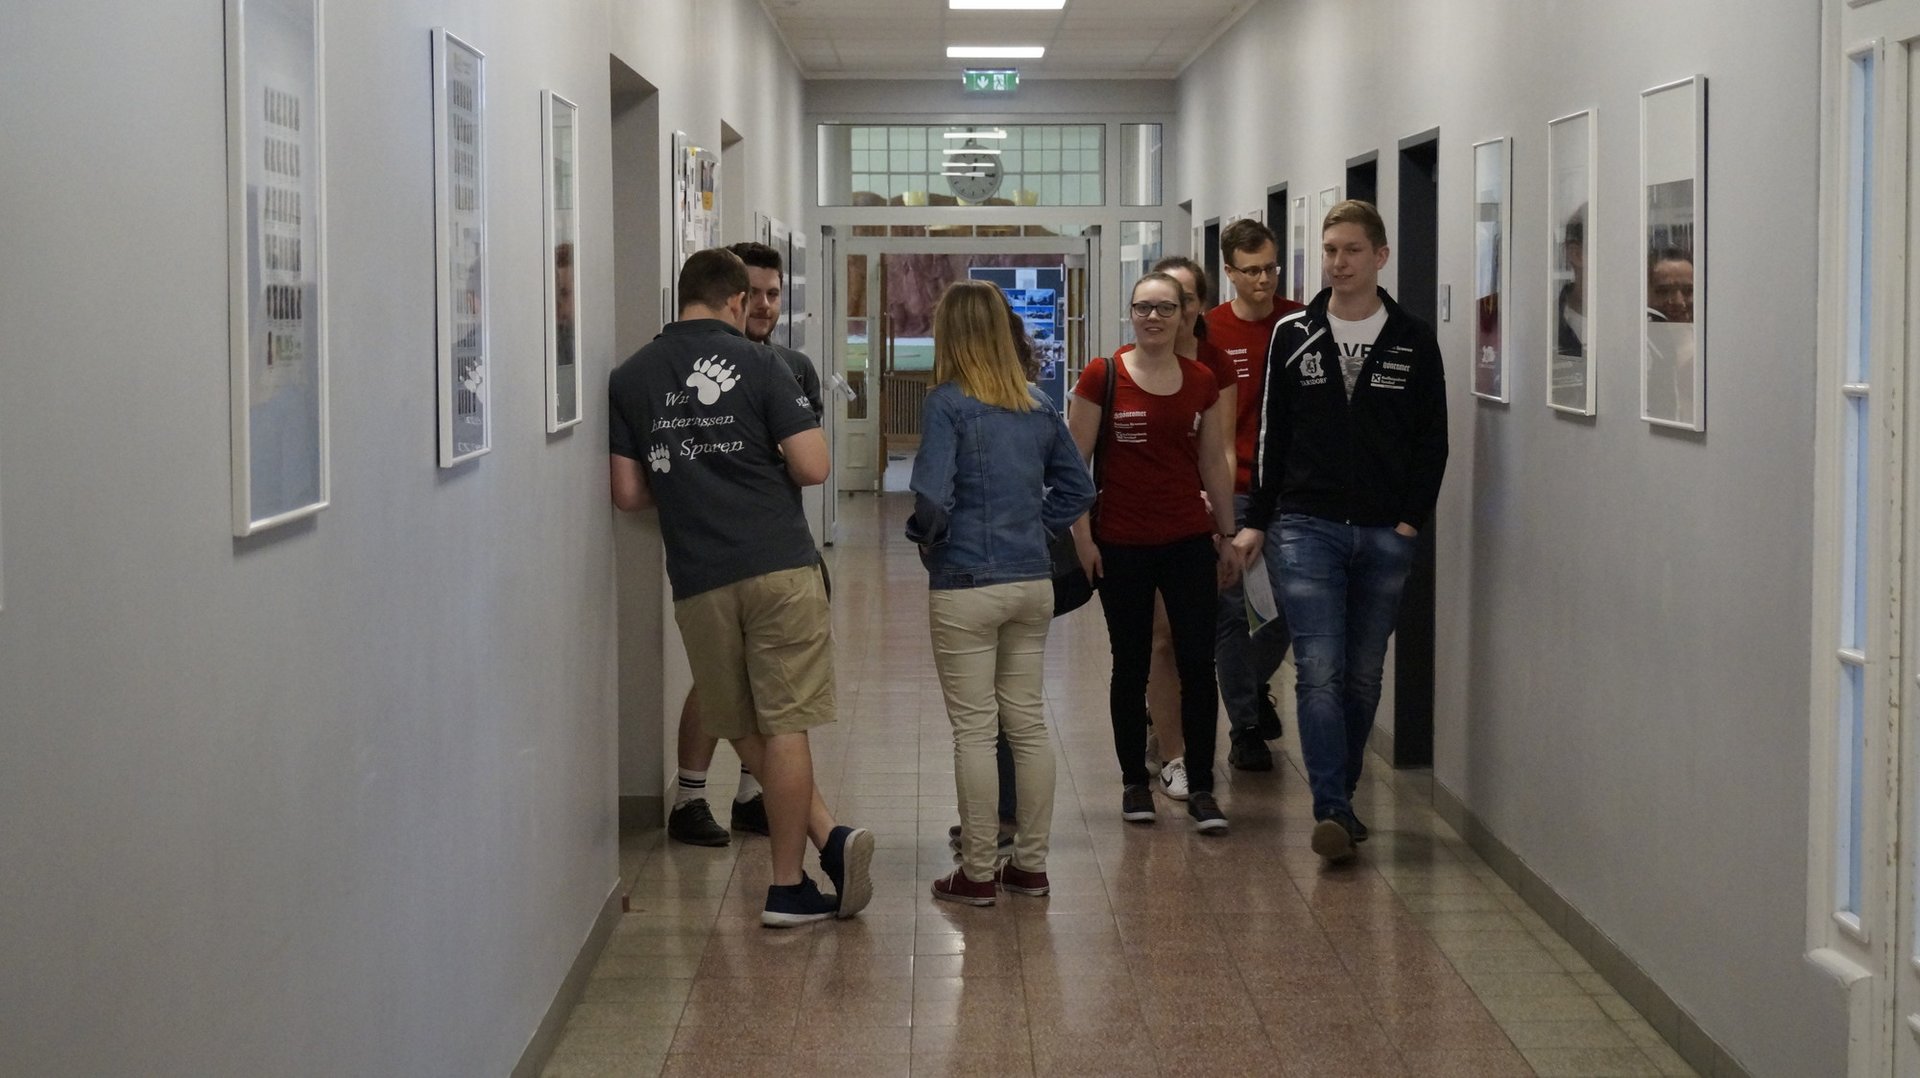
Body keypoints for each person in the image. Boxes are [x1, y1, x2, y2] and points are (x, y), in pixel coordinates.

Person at [609, 247, 874, 926]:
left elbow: (629, 492)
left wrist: (693, 476)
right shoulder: (763, 364)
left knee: (740, 722)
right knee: (783, 724)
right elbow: (814, 467)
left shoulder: (630, 377)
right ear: (735, 300)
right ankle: (787, 884)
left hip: (699, 575)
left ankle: (828, 842)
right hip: (777, 563)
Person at [1236, 200, 1449, 863]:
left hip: (1386, 530)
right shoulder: (1293, 333)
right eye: (1329, 250)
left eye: (1352, 250)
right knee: (1319, 670)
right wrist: (1259, 520)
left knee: (1362, 676)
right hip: (1307, 525)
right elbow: (1272, 433)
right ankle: (1329, 806)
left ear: (1380, 256)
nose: (1338, 262)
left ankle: (1344, 795)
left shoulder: (1412, 338)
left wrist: (1411, 518)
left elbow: (1432, 440)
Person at [908, 281, 1095, 904]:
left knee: (974, 730)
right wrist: (1034, 530)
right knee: (1028, 723)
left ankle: (979, 872)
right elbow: (1079, 490)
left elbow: (933, 498)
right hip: (1031, 582)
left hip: (965, 581)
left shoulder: (946, 403)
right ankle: (1031, 866)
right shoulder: (1038, 403)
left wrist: (928, 540)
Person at [663, 241, 827, 848]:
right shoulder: (680, 366)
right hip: (713, 554)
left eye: (773, 294)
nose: (763, 305)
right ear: (731, 297)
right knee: (716, 682)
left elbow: (806, 459)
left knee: (773, 691)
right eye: (753, 293)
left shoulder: (792, 368)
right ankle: (690, 796)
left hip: (777, 546)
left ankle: (753, 796)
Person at [1070, 272, 1241, 833]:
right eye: (1143, 307)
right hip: (1121, 544)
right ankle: (1133, 784)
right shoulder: (1104, 375)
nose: (1153, 318)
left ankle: (1203, 787)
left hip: (1188, 541)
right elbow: (1073, 467)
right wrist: (1083, 539)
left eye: (1166, 308)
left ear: (1185, 315)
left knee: (1197, 664)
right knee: (1131, 664)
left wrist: (1226, 534)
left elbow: (1213, 463)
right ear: (1131, 313)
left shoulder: (1201, 380)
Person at [1204, 221, 1308, 773]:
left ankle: (1252, 685)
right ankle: (1245, 726)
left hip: (1291, 492)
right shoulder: (1211, 331)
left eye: (1270, 268)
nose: (1264, 280)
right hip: (1236, 489)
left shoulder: (1301, 323)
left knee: (1288, 606)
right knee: (1232, 612)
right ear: (1229, 272)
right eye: (1251, 271)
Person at [1132, 255, 1236, 802]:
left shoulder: (1213, 367)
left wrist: (1221, 516)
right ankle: (1172, 752)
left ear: (1196, 307)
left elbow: (1221, 449)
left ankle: (1189, 747)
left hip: (1200, 520)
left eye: (1184, 300)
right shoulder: (1128, 365)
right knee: (1160, 639)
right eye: (1153, 303)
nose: (1168, 311)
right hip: (1147, 522)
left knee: (1196, 644)